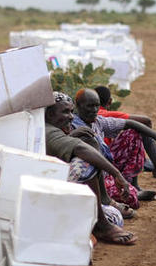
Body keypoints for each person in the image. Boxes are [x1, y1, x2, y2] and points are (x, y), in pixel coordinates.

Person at [44, 91, 138, 245]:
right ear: (49, 115)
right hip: (49, 196)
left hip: (53, 189)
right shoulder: (49, 131)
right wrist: (117, 174)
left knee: (116, 217)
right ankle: (101, 225)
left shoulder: (50, 128)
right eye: (65, 112)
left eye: (71, 111)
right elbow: (82, 150)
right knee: (86, 160)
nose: (71, 116)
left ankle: (102, 209)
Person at [71, 88, 156, 209]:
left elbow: (129, 123)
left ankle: (132, 186)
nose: (94, 110)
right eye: (89, 106)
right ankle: (115, 194)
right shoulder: (72, 126)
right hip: (93, 175)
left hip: (107, 168)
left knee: (132, 133)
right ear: (78, 105)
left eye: (96, 106)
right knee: (130, 199)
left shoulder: (98, 121)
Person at [94, 85, 156, 184]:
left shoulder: (86, 115)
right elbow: (146, 121)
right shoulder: (103, 114)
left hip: (97, 159)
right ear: (110, 101)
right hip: (106, 163)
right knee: (137, 131)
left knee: (139, 158)